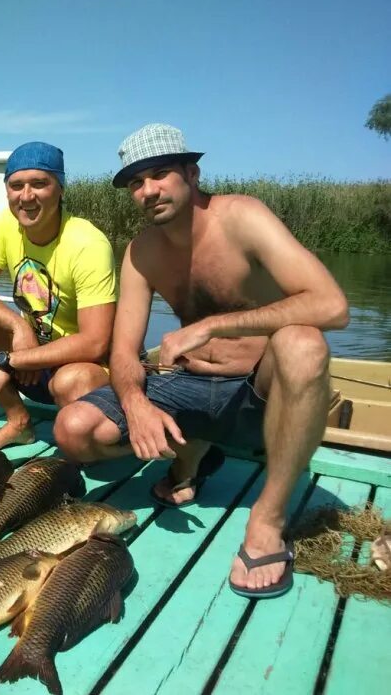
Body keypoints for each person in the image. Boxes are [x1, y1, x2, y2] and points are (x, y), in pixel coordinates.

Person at [54, 123, 349, 599]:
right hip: (188, 383)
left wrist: (212, 325)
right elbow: (124, 352)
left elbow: (332, 305)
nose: (148, 191)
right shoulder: (141, 252)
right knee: (73, 429)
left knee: (303, 343)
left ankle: (268, 520)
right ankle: (196, 451)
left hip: (260, 392)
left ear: (191, 173)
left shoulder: (242, 216)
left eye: (160, 175)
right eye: (135, 183)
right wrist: (137, 406)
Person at [0, 141, 116, 450]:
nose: (26, 196)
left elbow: (95, 342)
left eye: (40, 184)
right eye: (17, 186)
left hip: (82, 364)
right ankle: (18, 422)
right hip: (32, 354)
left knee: (71, 382)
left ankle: (80, 443)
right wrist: (19, 327)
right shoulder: (7, 224)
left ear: (61, 189)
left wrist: (11, 361)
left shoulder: (88, 243)